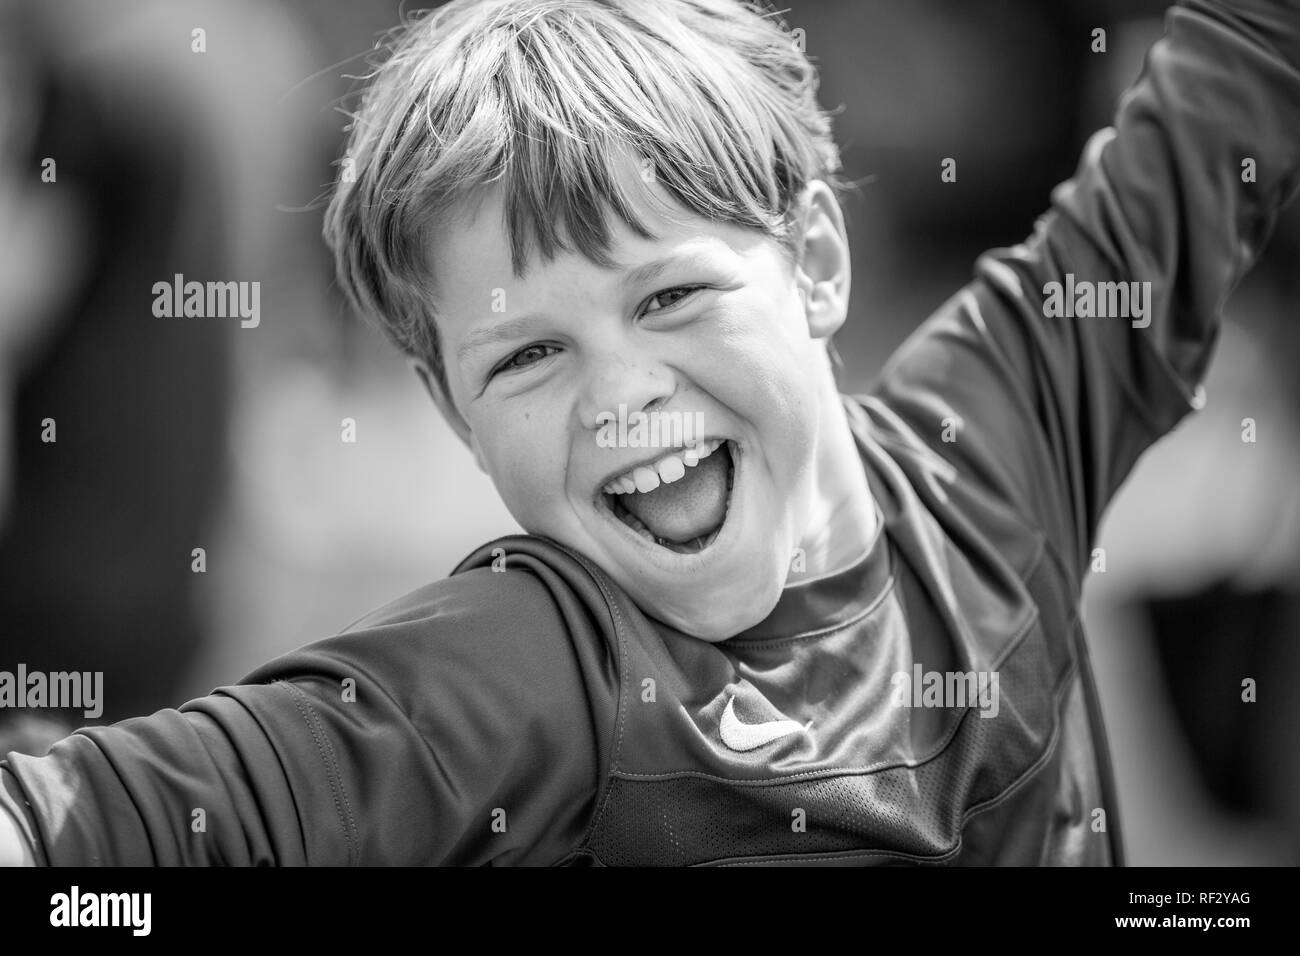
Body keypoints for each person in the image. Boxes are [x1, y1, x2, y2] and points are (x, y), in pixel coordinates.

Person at [3, 0, 1298, 865]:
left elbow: (1236, 82)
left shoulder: (999, 444)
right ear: (454, 413)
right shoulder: (535, 667)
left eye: (672, 296)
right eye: (529, 354)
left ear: (819, 261)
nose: (620, 395)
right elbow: (94, 826)